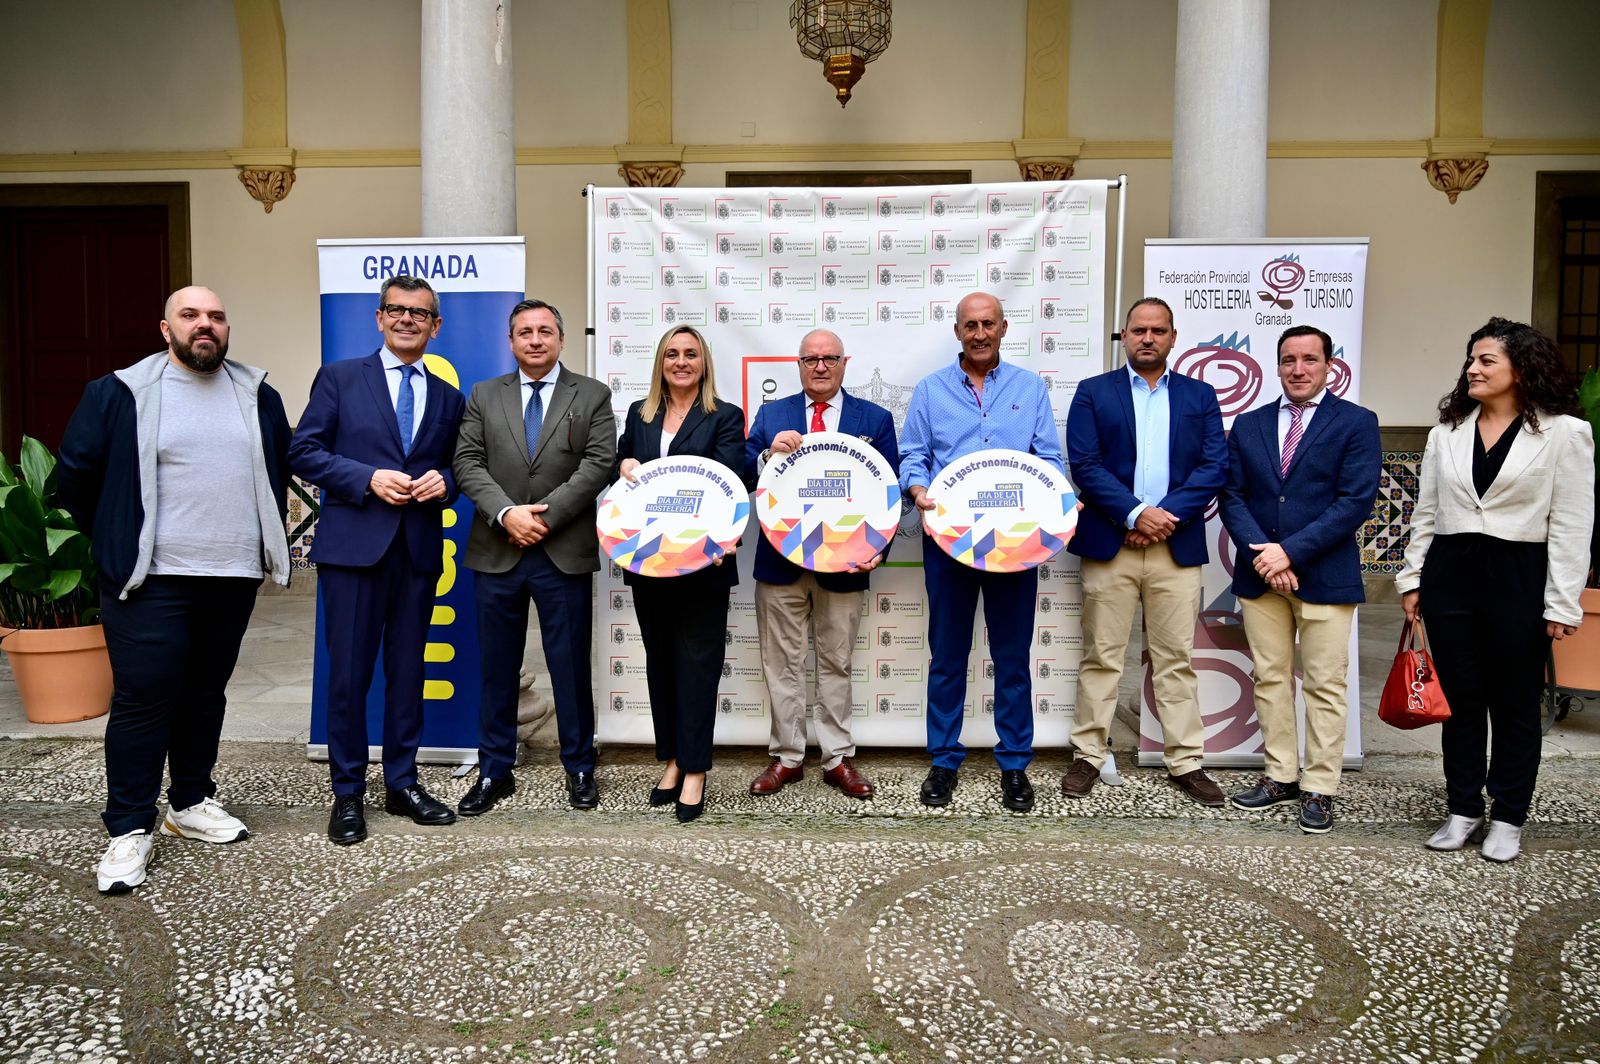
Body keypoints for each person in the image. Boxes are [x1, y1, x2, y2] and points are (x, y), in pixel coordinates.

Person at [59, 286, 291, 893]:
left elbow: (278, 467)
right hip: (151, 578)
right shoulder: (118, 393)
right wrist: (116, 541)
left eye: (215, 316)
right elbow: (75, 479)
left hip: (232, 574)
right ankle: (129, 828)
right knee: (143, 699)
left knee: (204, 693)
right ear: (166, 330)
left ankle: (188, 802)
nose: (205, 325)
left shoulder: (257, 393)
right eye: (190, 316)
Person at [1399, 317, 1594, 862]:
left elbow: (1573, 524)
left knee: (1513, 704)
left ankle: (1508, 815)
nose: (1472, 369)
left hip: (1519, 576)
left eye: (1486, 360)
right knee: (1460, 702)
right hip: (1451, 573)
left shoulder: (1565, 433)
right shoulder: (1448, 433)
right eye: (1470, 360)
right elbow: (1428, 513)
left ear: (1521, 368)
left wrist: (1561, 601)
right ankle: (1462, 809)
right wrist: (1413, 578)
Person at [288, 276, 465, 845]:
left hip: (416, 553)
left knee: (408, 674)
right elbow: (304, 450)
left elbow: (460, 466)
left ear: (435, 326)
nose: (407, 319)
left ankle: (403, 783)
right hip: (354, 553)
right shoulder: (340, 378)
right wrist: (365, 478)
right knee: (349, 677)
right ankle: (347, 793)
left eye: (420, 313)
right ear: (379, 318)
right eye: (397, 310)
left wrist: (448, 482)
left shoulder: (447, 397)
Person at [900, 291, 1063, 813]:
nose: (979, 333)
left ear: (1003, 327)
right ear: (957, 331)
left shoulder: (1030, 388)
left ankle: (1015, 763)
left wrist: (1056, 508)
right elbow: (913, 456)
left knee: (1012, 656)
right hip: (949, 543)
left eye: (987, 323)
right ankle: (944, 761)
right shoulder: (930, 391)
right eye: (969, 324)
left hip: (1016, 545)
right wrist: (917, 490)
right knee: (947, 656)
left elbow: (1050, 460)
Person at [453, 299, 616, 814]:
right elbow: (467, 461)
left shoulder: (591, 394)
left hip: (561, 551)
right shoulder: (483, 394)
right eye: (525, 332)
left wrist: (544, 518)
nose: (536, 339)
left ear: (562, 339)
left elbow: (598, 463)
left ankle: (580, 766)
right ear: (511, 341)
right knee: (496, 669)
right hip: (497, 550)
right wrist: (507, 514)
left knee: (568, 667)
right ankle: (494, 771)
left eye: (546, 330)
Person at [1063, 297, 1228, 806]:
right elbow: (1085, 465)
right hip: (1111, 544)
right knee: (1102, 656)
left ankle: (1186, 761)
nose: (1148, 338)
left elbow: (1213, 465)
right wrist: (1135, 514)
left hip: (1173, 548)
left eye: (1158, 330)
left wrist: (1162, 518)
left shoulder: (1200, 396)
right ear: (1125, 336)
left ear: (1173, 337)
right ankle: (1089, 754)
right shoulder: (1094, 393)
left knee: (1176, 658)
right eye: (1139, 330)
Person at [1219, 325, 1381, 833]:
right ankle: (1280, 774)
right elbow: (1231, 496)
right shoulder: (1249, 424)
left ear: (1329, 365)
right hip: (1261, 576)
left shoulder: (1356, 422)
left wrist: (1289, 552)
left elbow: (1354, 501)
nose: (1298, 369)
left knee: (1325, 685)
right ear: (1277, 365)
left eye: (1309, 359)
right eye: (1289, 359)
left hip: (1324, 577)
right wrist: (1267, 557)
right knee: (1270, 679)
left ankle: (1320, 787)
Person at [745, 329, 900, 800]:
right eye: (810, 358)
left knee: (836, 662)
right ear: (798, 364)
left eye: (829, 358)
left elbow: (890, 494)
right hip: (780, 561)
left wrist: (878, 552)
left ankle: (837, 757)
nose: (820, 366)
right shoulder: (774, 414)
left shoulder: (874, 418)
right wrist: (769, 454)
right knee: (781, 663)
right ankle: (788, 756)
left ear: (844, 362)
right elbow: (745, 462)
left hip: (845, 564)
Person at [616, 325, 746, 822]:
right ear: (660, 362)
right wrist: (624, 463)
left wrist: (717, 541)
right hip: (649, 562)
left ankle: (695, 769)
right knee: (661, 664)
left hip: (703, 565)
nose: (681, 361)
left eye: (690, 354)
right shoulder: (640, 414)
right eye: (672, 353)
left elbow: (733, 485)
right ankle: (671, 758)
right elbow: (621, 474)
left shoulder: (724, 417)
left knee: (697, 667)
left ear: (704, 362)